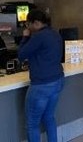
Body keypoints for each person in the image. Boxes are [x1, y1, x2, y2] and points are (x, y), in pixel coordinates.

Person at [18, 9, 64, 142]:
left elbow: (21, 55)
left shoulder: (38, 37)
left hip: (42, 85)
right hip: (58, 80)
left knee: (32, 123)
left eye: (28, 24)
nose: (28, 27)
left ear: (36, 23)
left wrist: (25, 36)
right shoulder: (55, 34)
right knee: (49, 117)